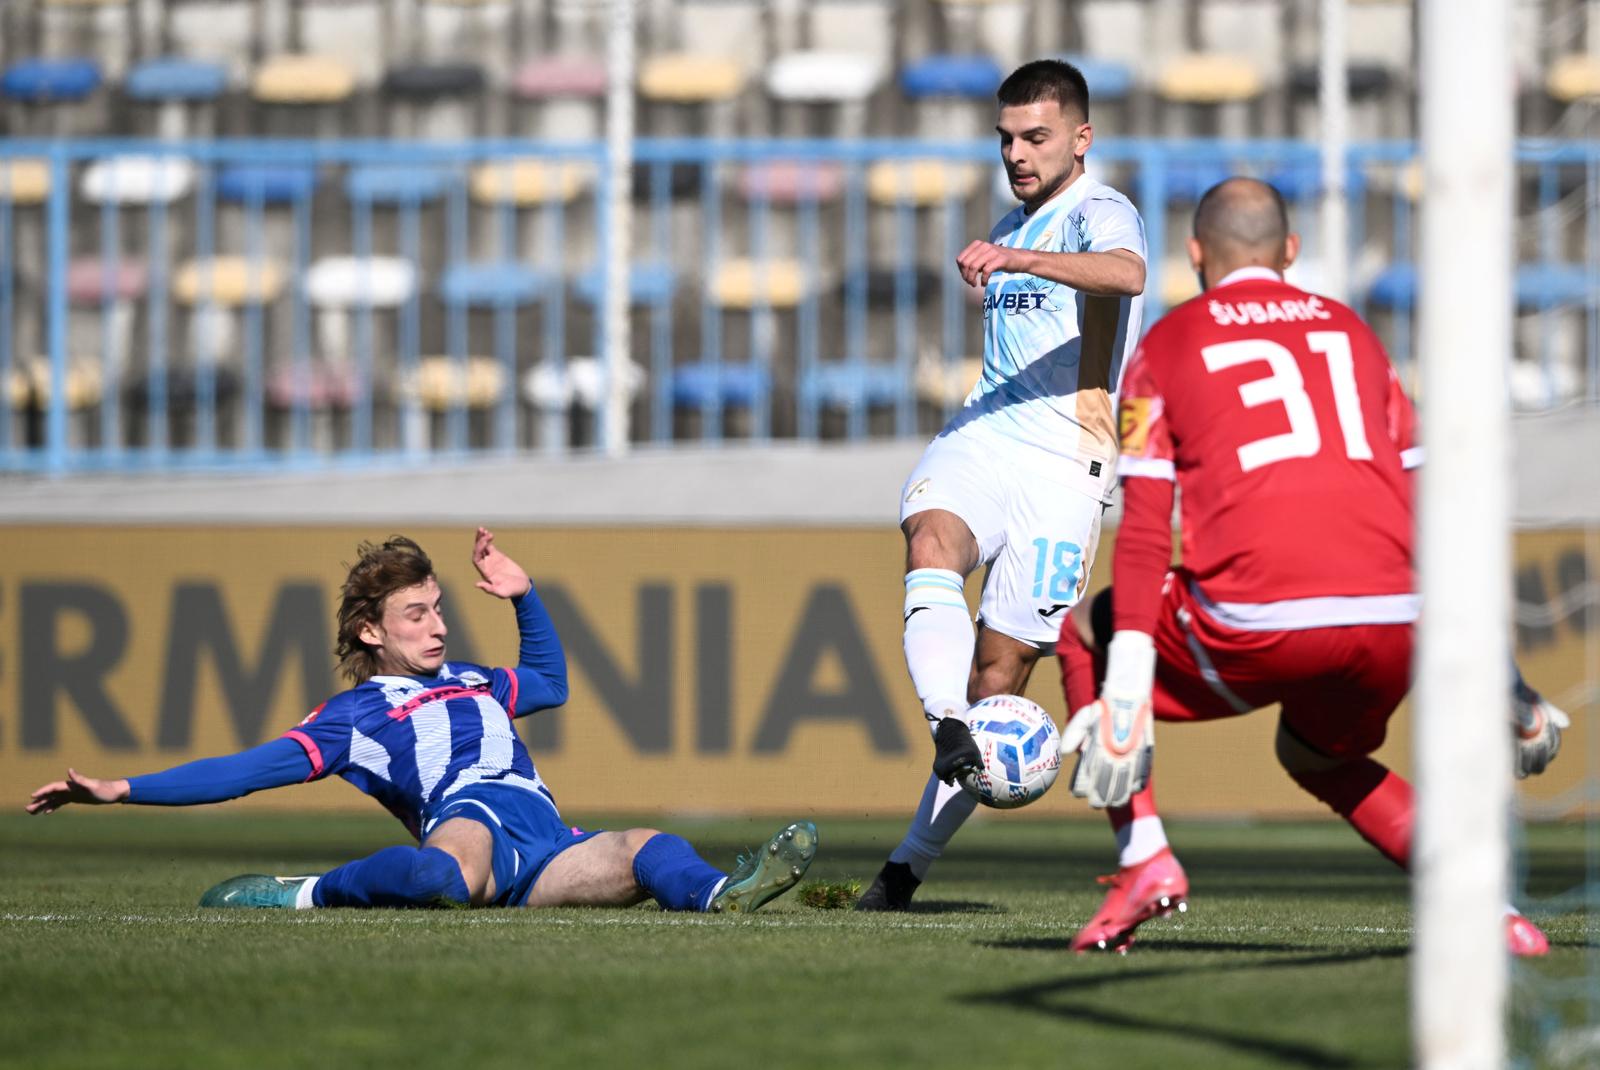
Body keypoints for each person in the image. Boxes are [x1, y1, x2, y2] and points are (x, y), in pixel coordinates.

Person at [1054, 176, 1564, 956]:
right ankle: (1491, 913)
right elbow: (1438, 519)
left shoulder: (1168, 344)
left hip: (1255, 621)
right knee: (1318, 753)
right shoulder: (1353, 334)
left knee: (1083, 629)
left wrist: (1126, 693)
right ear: (1291, 252)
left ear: (1196, 255)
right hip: (1395, 622)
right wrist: (1506, 679)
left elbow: (1148, 529)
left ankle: (1144, 858)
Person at [27, 528, 817, 915]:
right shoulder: (355, 716)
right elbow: (246, 770)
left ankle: (723, 896)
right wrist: (123, 787)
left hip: (547, 846)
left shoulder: (474, 680)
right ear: (372, 632)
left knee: (647, 847)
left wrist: (523, 595)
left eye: (439, 608)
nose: (437, 625)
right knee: (442, 875)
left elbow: (549, 681)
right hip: (467, 829)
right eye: (416, 614)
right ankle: (307, 895)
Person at [857, 57, 1147, 911]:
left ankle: (905, 868)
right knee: (931, 538)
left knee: (1002, 678)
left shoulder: (1100, 209)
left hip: (1069, 465)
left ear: (1080, 139)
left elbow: (1128, 275)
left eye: (1036, 136)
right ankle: (946, 719)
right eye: (1007, 138)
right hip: (985, 435)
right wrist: (1016, 247)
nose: (1017, 153)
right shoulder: (1012, 220)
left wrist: (1021, 255)